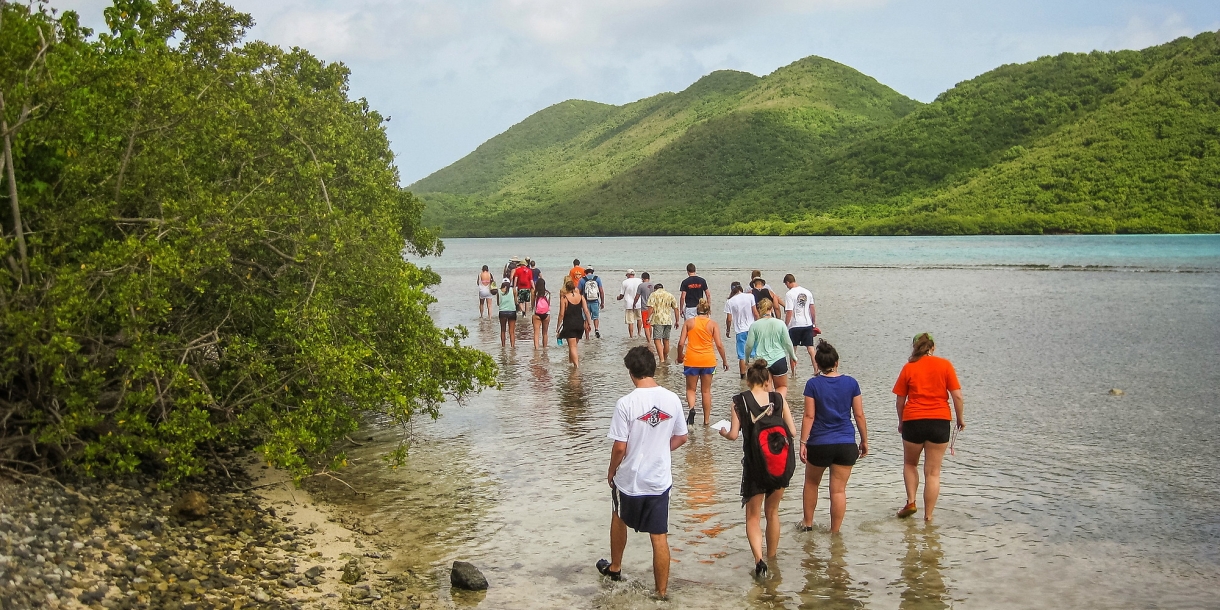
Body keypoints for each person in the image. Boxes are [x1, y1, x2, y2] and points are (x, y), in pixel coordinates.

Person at [597, 347, 689, 598]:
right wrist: (660, 449)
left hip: (630, 479)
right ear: (653, 368)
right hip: (659, 479)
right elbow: (681, 437)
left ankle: (615, 567)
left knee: (618, 516)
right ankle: (661, 592)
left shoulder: (626, 403)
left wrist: (611, 470)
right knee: (659, 536)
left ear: (631, 373)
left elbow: (619, 447)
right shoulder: (672, 399)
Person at [718, 359, 798, 578]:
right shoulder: (778, 398)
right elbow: (792, 431)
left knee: (753, 517)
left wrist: (724, 433)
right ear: (766, 381)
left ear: (748, 381)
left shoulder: (739, 402)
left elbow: (734, 435)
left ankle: (759, 561)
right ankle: (773, 557)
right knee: (772, 513)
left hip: (755, 466)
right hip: (779, 465)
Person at [893, 333, 965, 522]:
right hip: (939, 421)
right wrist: (960, 419)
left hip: (914, 421)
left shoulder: (909, 367)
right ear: (933, 347)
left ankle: (911, 501)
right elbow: (957, 396)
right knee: (933, 472)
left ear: (915, 348)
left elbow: (900, 401)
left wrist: (901, 421)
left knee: (910, 464)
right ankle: (929, 517)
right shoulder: (945, 365)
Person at [799, 339, 868, 533]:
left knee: (812, 483)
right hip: (846, 443)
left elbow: (809, 416)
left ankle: (807, 524)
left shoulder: (813, 384)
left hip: (820, 443)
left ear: (818, 365)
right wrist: (864, 440)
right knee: (838, 491)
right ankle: (835, 532)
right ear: (836, 362)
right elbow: (859, 415)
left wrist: (803, 442)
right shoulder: (851, 383)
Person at [676, 299, 728, 425]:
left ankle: (692, 409)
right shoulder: (713, 324)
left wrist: (679, 356)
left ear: (696, 310)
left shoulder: (689, 322)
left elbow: (681, 343)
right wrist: (724, 361)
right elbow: (719, 345)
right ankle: (706, 421)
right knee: (706, 391)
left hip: (692, 359)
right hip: (708, 360)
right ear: (708, 311)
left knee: (690, 389)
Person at [745, 299, 798, 395]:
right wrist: (793, 356)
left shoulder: (754, 325)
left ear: (759, 309)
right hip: (778, 359)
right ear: (772, 309)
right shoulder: (780, 323)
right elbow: (787, 343)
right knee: (782, 387)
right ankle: (779, 406)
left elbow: (749, 345)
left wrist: (746, 358)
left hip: (761, 362)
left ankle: (768, 407)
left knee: (766, 390)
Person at [782, 274, 818, 367]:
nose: (787, 287)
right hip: (807, 323)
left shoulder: (789, 294)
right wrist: (814, 323)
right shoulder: (807, 292)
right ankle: (816, 369)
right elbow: (812, 309)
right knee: (810, 348)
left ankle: (794, 373)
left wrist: (785, 325)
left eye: (786, 285)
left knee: (793, 350)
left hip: (795, 325)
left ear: (788, 282)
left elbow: (789, 312)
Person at [724, 281, 757, 379]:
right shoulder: (750, 296)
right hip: (752, 328)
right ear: (741, 288)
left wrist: (728, 330)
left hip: (740, 331)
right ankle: (756, 375)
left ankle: (743, 378)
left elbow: (729, 319)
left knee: (742, 356)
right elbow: (755, 312)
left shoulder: (730, 301)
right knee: (754, 354)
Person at [556, 277, 592, 366]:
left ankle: (576, 366)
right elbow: (586, 311)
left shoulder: (564, 298)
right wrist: (589, 323)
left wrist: (558, 327)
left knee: (572, 346)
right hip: (580, 324)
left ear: (566, 288)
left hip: (569, 324)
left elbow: (561, 314)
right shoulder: (581, 297)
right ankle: (571, 364)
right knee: (573, 346)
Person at [646, 283, 680, 362]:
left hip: (658, 320)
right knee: (666, 340)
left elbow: (651, 307)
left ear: (655, 289)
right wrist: (677, 320)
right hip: (668, 320)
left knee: (657, 339)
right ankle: (665, 357)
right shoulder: (670, 295)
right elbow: (676, 308)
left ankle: (661, 360)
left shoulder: (653, 295)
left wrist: (648, 318)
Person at [579, 268, 605, 339]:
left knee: (586, 319)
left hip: (586, 302)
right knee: (595, 317)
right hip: (595, 301)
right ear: (592, 271)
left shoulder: (582, 280)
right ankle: (596, 329)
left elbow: (578, 291)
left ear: (586, 272)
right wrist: (602, 302)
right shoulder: (597, 279)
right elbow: (601, 291)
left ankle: (587, 336)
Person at [618, 269, 643, 338]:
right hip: (638, 303)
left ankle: (631, 336)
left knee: (630, 321)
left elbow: (622, 295)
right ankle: (639, 333)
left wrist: (618, 298)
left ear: (628, 275)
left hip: (629, 304)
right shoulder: (639, 280)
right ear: (633, 274)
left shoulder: (625, 282)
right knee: (639, 318)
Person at [635, 272, 655, 344]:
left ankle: (649, 342)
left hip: (644, 307)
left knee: (646, 325)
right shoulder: (653, 285)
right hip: (652, 308)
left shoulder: (641, 286)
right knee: (650, 325)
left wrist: (634, 303)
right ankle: (651, 339)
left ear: (642, 279)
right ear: (649, 278)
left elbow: (637, 296)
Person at [496, 278, 517, 347]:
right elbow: (516, 302)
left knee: (503, 330)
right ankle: (513, 346)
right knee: (512, 332)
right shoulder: (513, 290)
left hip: (502, 312)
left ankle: (503, 346)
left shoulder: (499, 291)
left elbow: (498, 303)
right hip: (512, 311)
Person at [532, 275, 551, 349]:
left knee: (536, 333)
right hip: (546, 314)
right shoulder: (548, 293)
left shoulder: (535, 293)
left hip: (537, 314)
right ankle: (545, 349)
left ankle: (536, 349)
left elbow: (533, 304)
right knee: (545, 333)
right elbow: (548, 304)